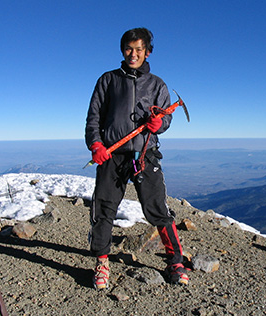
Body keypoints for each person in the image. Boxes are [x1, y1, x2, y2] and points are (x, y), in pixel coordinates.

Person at [85, 27, 189, 290]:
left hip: (145, 154)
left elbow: (166, 117)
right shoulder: (108, 80)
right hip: (111, 154)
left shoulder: (157, 85)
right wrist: (95, 143)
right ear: (123, 50)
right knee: (105, 208)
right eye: (129, 49)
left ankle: (175, 261)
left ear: (148, 52)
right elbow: (94, 116)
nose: (133, 54)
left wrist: (159, 123)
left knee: (157, 209)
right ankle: (101, 260)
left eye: (139, 50)